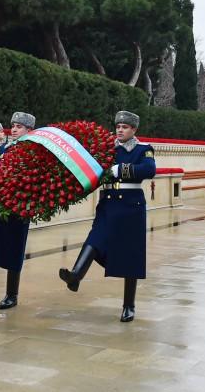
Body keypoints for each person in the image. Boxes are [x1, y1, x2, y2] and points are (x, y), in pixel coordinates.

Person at [58, 111, 156, 322]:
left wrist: (120, 169)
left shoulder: (143, 149)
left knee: (131, 255)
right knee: (96, 238)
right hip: (109, 203)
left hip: (131, 205)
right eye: (118, 126)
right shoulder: (107, 149)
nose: (120, 130)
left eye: (125, 127)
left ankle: (128, 305)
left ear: (134, 130)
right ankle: (76, 275)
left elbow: (149, 169)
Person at [0, 112, 35, 310]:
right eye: (14, 125)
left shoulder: (34, 151)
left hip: (19, 205)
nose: (15, 129)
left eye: (20, 126)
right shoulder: (3, 148)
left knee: (14, 248)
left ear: (30, 130)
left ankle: (12, 294)